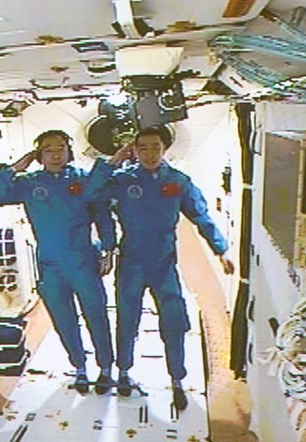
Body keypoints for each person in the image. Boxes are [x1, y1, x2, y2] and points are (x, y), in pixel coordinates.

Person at [90, 126, 234, 410]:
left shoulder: (178, 182)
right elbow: (92, 195)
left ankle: (177, 379)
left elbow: (201, 216)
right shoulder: (122, 180)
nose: (149, 154)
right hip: (131, 262)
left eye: (155, 147)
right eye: (142, 148)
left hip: (163, 264)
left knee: (174, 321)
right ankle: (123, 372)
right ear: (134, 150)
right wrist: (114, 161)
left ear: (165, 148)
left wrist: (221, 249)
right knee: (127, 319)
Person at [0, 130, 116, 395]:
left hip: (83, 260)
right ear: (39, 154)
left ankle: (106, 368)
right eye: (48, 150)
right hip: (51, 264)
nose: (55, 154)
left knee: (96, 315)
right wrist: (18, 165)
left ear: (69, 151)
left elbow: (102, 214)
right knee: (64, 319)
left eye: (60, 148)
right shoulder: (30, 184)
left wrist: (109, 250)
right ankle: (79, 367)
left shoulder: (83, 179)